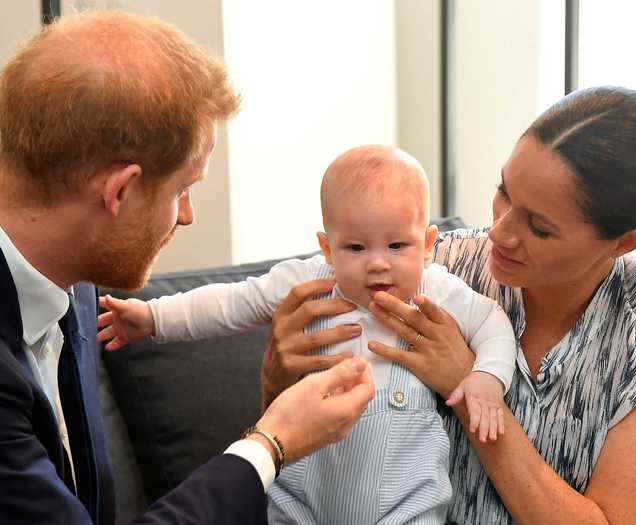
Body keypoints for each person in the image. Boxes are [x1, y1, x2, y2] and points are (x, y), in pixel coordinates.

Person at [0, 11, 374, 525]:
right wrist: (271, 444)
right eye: (183, 189)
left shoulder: (74, 281)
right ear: (120, 191)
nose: (188, 214)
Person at [262, 86, 636, 524]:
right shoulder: (429, 268)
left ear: (624, 242)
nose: (499, 233)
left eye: (540, 228)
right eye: (504, 192)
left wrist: (465, 386)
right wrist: (277, 376)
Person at [98, 144, 517, 523]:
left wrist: (486, 379)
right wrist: (152, 317)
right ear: (326, 247)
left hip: (404, 503)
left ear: (427, 244)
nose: (377, 264)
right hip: (304, 496)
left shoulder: (437, 289)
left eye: (396, 247)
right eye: (355, 248)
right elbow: (231, 303)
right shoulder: (308, 282)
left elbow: (493, 324)